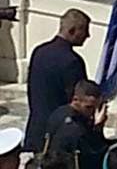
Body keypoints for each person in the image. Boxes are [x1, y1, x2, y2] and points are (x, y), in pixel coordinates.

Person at [24, 8, 90, 151]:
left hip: (35, 129)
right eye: (84, 30)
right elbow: (77, 101)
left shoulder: (39, 52)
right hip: (59, 134)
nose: (88, 36)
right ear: (72, 30)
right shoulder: (72, 61)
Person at [43, 80, 109, 169]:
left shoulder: (58, 112)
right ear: (76, 100)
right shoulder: (77, 130)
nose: (93, 113)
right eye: (89, 107)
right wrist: (98, 128)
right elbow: (94, 158)